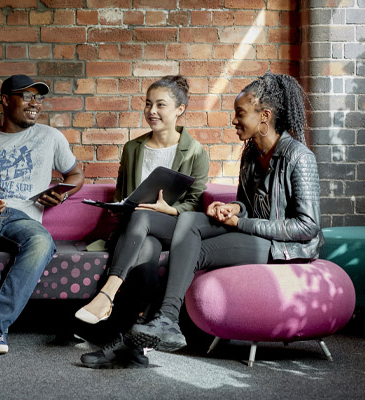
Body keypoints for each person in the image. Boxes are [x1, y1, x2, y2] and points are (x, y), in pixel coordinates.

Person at [126, 72, 323, 355]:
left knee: (196, 249)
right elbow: (246, 203)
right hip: (255, 232)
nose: (233, 120)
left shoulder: (299, 158)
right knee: (190, 220)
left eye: (240, 113)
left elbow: (307, 227)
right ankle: (166, 321)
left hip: (283, 248)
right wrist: (233, 208)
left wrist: (241, 222)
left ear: (264, 116)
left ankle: (163, 318)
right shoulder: (251, 154)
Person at [77, 75, 209, 368]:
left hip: (175, 228)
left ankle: (106, 296)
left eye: (161, 105)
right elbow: (125, 195)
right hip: (139, 230)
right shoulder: (133, 147)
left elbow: (195, 203)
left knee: (144, 219)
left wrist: (168, 209)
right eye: (148, 104)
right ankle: (132, 345)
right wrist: (116, 208)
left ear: (180, 110)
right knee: (146, 251)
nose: (152, 111)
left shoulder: (196, 151)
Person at [0, 74, 84, 358]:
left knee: (42, 242)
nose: (34, 103)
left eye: (38, 97)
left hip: (24, 217)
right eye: (26, 96)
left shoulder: (51, 137)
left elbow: (76, 175)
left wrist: (62, 194)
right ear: (4, 100)